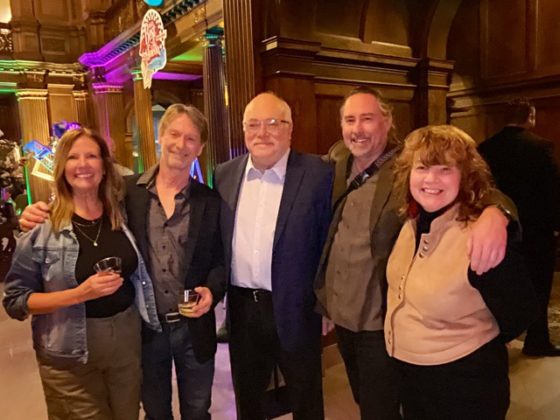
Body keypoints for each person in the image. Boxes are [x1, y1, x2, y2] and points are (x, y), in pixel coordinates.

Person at [314, 86, 515, 419]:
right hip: (344, 316)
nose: (357, 129)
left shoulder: (408, 165)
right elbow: (330, 236)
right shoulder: (336, 161)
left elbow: (472, 185)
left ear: (387, 121)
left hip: (383, 319)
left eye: (367, 119)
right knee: (366, 399)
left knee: (381, 408)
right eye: (350, 120)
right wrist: (324, 300)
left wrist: (499, 213)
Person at [19, 104, 226, 420]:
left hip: (194, 328)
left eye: (191, 138)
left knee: (198, 411)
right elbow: (82, 204)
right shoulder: (125, 193)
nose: (181, 144)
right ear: (160, 137)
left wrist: (212, 291)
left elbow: (220, 261)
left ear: (200, 147)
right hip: (144, 328)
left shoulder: (210, 200)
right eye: (174, 134)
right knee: (155, 411)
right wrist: (37, 213)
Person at [3, 128, 161, 419]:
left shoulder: (121, 215)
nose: (83, 164)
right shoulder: (42, 227)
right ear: (62, 167)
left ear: (105, 166)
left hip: (126, 344)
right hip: (69, 353)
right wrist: (79, 294)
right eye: (73, 157)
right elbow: (16, 300)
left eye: (92, 156)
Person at [385, 124, 537, 419]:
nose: (431, 179)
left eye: (445, 169)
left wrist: (470, 336)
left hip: (464, 385)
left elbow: (520, 311)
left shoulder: (480, 236)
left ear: (465, 176)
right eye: (422, 168)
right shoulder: (411, 222)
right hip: (412, 378)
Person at [213, 92, 332, 420]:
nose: (262, 133)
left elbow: (328, 242)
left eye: (272, 123)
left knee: (306, 397)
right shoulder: (225, 174)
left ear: (290, 129)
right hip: (242, 309)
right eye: (253, 125)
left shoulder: (319, 173)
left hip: (297, 306)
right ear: (243, 130)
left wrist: (326, 302)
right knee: (248, 398)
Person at [479, 98, 560, 357]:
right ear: (530, 117)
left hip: (496, 228)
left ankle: (494, 340)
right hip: (536, 230)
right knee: (538, 286)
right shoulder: (541, 147)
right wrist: (556, 225)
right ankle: (537, 340)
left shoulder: (486, 148)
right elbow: (552, 190)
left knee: (499, 287)